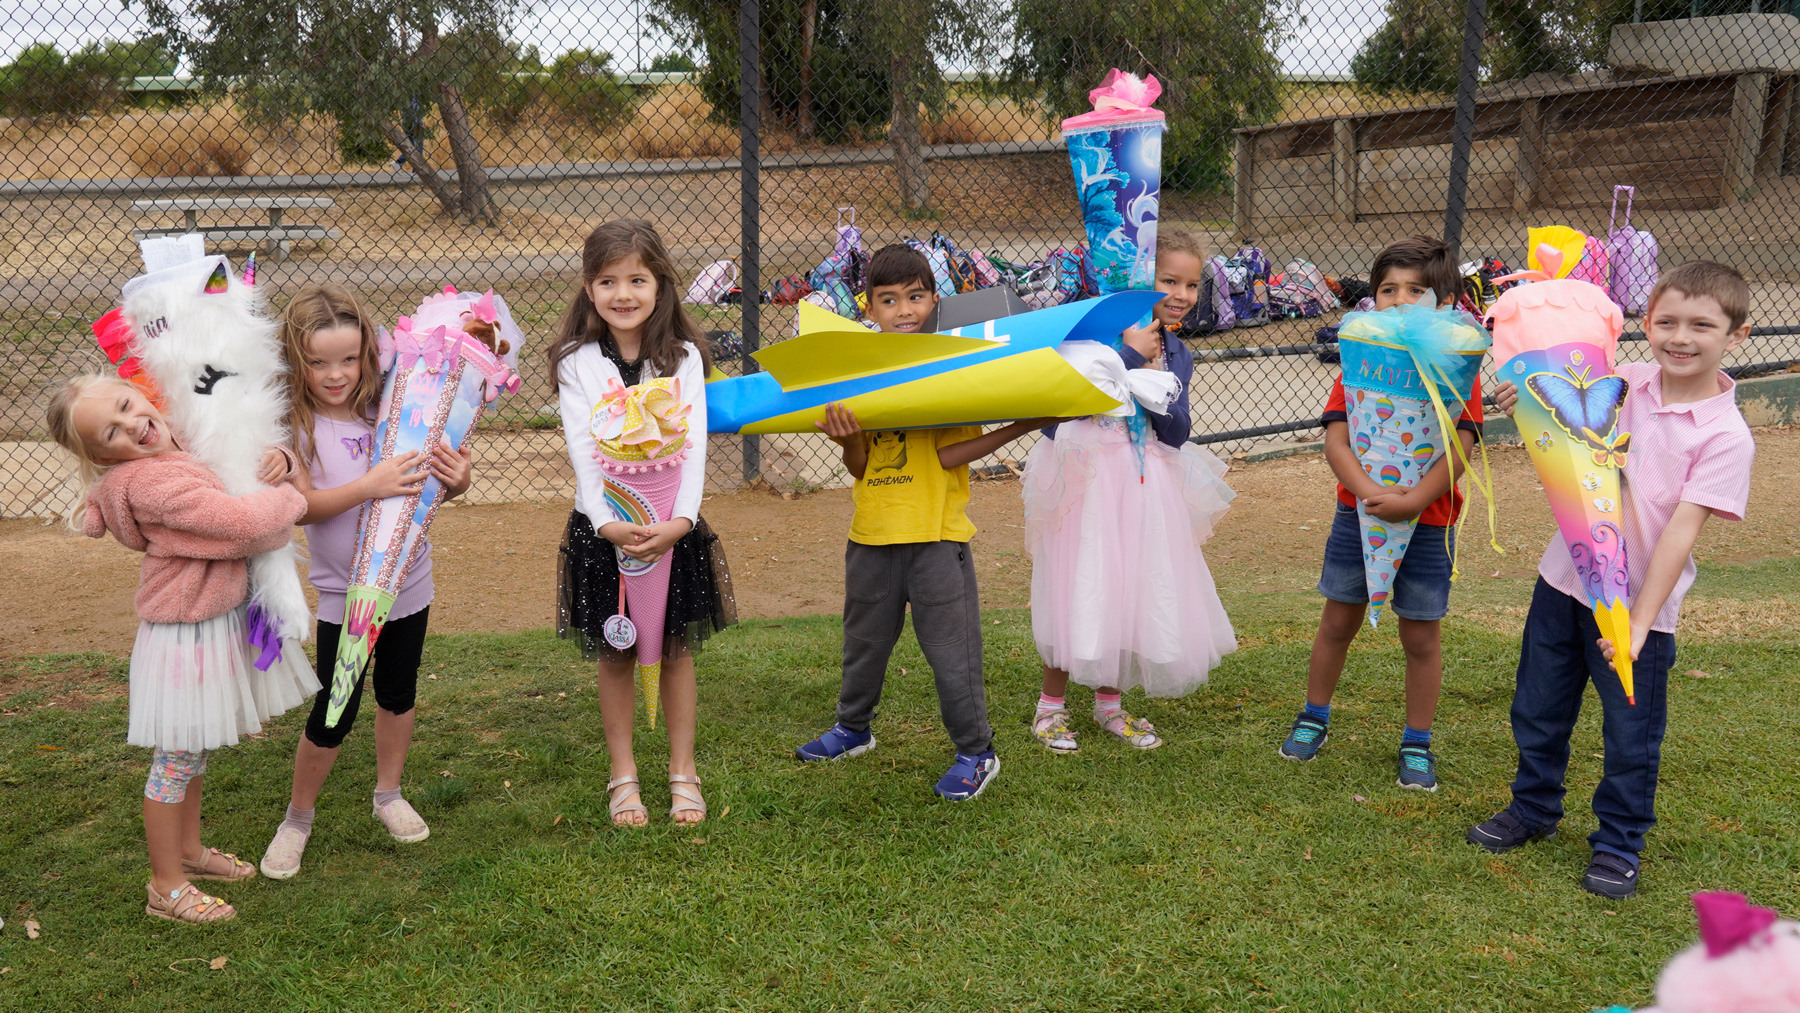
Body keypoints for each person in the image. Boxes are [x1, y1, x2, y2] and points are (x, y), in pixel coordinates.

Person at [1467, 261, 1755, 899]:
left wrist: (1639, 626)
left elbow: (1680, 533)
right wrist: (1527, 402)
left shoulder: (1726, 436)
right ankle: (1534, 809)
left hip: (1639, 611)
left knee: (1631, 732)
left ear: (1736, 333)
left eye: (1701, 325)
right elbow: (1565, 441)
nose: (1680, 337)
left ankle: (1619, 842)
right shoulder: (1622, 380)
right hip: (1563, 579)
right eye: (1666, 322)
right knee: (1538, 708)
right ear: (1645, 325)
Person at [49, 374, 317, 924]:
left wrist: (280, 462)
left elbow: (247, 458)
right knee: (174, 760)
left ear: (140, 392)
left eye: (127, 406)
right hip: (183, 640)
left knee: (193, 750)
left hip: (208, 625)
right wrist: (295, 497)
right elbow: (244, 527)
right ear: (104, 457)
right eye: (112, 433)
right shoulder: (150, 484)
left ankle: (190, 854)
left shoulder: (183, 442)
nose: (133, 426)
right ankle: (166, 887)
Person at [794, 244, 1048, 802]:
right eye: (888, 301)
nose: (904, 310)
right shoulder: (857, 373)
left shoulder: (951, 368)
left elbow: (951, 456)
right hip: (872, 537)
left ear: (934, 301)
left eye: (915, 297)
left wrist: (1026, 422)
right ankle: (853, 730)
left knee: (952, 653)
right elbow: (860, 468)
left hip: (936, 540)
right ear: (869, 308)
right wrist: (850, 439)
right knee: (863, 644)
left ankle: (977, 753)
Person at [258, 283, 472, 880]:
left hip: (409, 583)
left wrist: (457, 480)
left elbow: (427, 488)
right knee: (334, 708)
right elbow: (302, 508)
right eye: (318, 362)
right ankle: (297, 818)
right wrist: (368, 485)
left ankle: (388, 793)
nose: (336, 374)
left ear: (369, 355)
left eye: (349, 359)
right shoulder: (290, 431)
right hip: (345, 596)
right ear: (296, 361)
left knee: (397, 692)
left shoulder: (393, 408)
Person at [1278, 235, 1484, 791]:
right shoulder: (1360, 360)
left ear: (1445, 302)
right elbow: (1336, 439)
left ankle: (1417, 740)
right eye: (1388, 289)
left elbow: (1462, 442)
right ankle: (1313, 715)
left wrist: (1415, 499)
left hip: (1431, 521)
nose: (1399, 300)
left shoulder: (1459, 364)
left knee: (1420, 635)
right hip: (1357, 514)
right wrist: (1370, 492)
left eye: (1416, 291)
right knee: (1337, 621)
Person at [549, 219, 735, 827]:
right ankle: (623, 775)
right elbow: (583, 447)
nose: (623, 294)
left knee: (677, 650)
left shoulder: (682, 358)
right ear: (588, 287)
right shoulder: (576, 362)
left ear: (661, 285)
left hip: (673, 531)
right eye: (608, 281)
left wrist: (682, 521)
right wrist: (606, 523)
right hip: (604, 534)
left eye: (637, 279)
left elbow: (696, 447)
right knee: (616, 653)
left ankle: (684, 772)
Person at [1025, 228, 1237, 754]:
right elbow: (1056, 414)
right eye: (1169, 280)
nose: (1183, 294)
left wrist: (1157, 392)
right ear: (1141, 278)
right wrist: (1124, 359)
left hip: (1144, 485)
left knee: (1132, 584)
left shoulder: (1177, 352)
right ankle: (1050, 708)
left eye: (1192, 284)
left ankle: (1109, 705)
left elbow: (1178, 430)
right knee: (1080, 579)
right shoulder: (1096, 336)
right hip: (1090, 483)